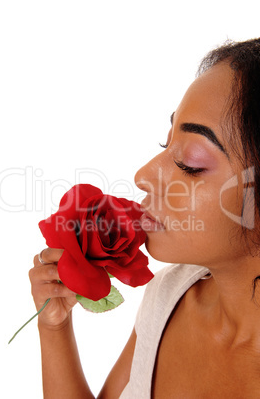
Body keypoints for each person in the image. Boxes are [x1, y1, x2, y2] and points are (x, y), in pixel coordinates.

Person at [29, 38, 260, 398]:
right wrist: (54, 326)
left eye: (190, 163)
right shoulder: (169, 295)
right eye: (165, 145)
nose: (143, 175)